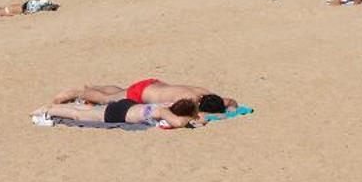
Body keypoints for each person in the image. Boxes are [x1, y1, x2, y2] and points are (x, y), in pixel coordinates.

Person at [51, 80, 233, 112]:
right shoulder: (189, 102)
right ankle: (78, 93)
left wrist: (230, 106)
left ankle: (95, 87)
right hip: (142, 93)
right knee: (109, 100)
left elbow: (230, 101)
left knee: (120, 92)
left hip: (152, 84)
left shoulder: (203, 91)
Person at [33, 98, 202, 128]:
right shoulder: (164, 112)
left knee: (91, 110)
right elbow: (178, 123)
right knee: (79, 116)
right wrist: (192, 119)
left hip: (127, 106)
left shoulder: (166, 105)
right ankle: (49, 110)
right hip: (120, 114)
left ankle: (53, 108)